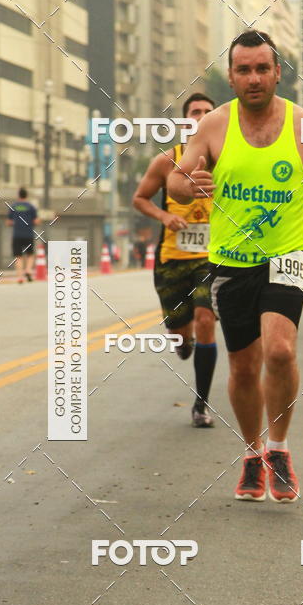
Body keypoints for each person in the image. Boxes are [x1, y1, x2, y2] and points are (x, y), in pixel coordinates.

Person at [168, 29, 303, 503]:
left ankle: (279, 448)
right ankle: (252, 454)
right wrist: (190, 184)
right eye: (244, 70)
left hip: (287, 254)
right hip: (230, 262)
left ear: (277, 73)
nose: (254, 78)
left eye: (262, 69)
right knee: (244, 368)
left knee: (280, 351)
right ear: (230, 77)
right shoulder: (213, 126)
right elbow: (175, 179)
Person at [133, 93, 218, 428]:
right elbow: (140, 198)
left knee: (205, 319)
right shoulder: (167, 161)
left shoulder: (226, 159)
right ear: (184, 122)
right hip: (171, 258)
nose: (201, 116)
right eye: (195, 112)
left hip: (210, 259)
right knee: (181, 336)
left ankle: (201, 404)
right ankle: (183, 340)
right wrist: (164, 216)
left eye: (208, 112)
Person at [6, 187, 38, 283]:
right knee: (30, 255)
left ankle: (20, 277)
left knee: (18, 257)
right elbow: (36, 221)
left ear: (18, 195)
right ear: (26, 195)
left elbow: (8, 222)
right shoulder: (31, 207)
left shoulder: (13, 206)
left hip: (17, 235)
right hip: (28, 235)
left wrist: (16, 223)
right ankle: (28, 270)